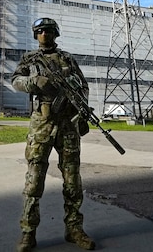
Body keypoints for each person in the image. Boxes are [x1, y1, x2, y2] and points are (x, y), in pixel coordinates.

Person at [11, 17, 95, 251]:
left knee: (72, 179)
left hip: (68, 123)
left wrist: (82, 110)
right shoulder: (30, 59)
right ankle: (28, 232)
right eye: (39, 31)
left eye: (48, 31)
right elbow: (15, 81)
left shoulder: (67, 58)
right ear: (35, 35)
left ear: (56, 34)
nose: (44, 35)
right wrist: (33, 82)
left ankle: (74, 228)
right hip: (42, 124)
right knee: (35, 178)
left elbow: (82, 85)